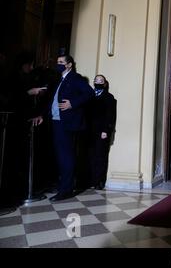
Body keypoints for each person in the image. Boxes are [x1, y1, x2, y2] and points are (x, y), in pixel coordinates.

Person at [32, 54, 94, 201]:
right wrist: (42, 115)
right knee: (59, 156)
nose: (58, 64)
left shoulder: (75, 78)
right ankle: (62, 185)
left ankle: (66, 190)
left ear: (69, 65)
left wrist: (72, 103)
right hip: (56, 121)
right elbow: (52, 101)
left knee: (66, 156)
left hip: (67, 123)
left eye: (61, 62)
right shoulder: (59, 79)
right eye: (57, 61)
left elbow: (89, 93)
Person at [87, 75, 116, 190]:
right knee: (90, 156)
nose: (98, 82)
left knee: (100, 156)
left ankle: (99, 181)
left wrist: (105, 130)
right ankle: (90, 180)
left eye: (101, 80)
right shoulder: (89, 95)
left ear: (105, 83)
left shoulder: (109, 97)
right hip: (89, 131)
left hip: (101, 131)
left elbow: (110, 115)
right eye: (96, 80)